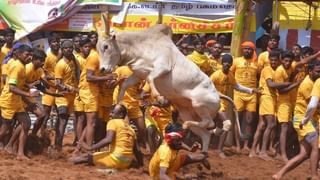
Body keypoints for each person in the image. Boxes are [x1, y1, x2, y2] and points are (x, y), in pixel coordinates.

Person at [272, 60, 320, 180]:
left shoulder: (314, 83)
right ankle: (314, 176)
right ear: (310, 71)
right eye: (317, 72)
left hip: (308, 119)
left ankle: (279, 174)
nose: (319, 74)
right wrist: (305, 121)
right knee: (316, 146)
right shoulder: (307, 84)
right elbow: (314, 105)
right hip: (303, 119)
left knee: (304, 154)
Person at [210, 54, 258, 158]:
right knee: (227, 124)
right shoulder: (216, 75)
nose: (226, 64)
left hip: (224, 103)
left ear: (231, 64)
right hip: (216, 103)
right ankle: (219, 150)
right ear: (222, 63)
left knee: (219, 127)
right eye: (225, 62)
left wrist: (251, 90)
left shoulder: (231, 75)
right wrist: (219, 95)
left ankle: (208, 137)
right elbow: (207, 87)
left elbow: (237, 86)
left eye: (229, 62)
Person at [70, 104, 143, 169]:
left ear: (120, 115)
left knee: (85, 157)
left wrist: (90, 147)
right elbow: (137, 150)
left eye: (112, 112)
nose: (110, 115)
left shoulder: (113, 122)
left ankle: (66, 163)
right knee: (97, 154)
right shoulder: (130, 128)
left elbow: (108, 140)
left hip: (115, 159)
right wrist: (141, 165)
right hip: (127, 162)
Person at [0, 45, 39, 160]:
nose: (29, 57)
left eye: (31, 55)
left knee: (26, 123)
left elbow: (20, 84)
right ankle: (11, 148)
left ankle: (20, 153)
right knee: (5, 130)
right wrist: (28, 95)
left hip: (16, 101)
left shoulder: (22, 66)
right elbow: (12, 87)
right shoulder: (17, 67)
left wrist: (27, 94)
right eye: (27, 55)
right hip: (9, 101)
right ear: (19, 54)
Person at [249, 50, 286, 160]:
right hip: (267, 98)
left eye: (275, 60)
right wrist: (287, 84)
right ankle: (263, 151)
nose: (273, 62)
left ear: (279, 60)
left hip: (271, 98)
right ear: (269, 60)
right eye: (272, 60)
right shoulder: (267, 69)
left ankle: (253, 151)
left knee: (262, 126)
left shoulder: (276, 70)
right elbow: (270, 84)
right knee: (271, 125)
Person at [230, 41, 259, 153]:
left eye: (249, 49)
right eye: (245, 49)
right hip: (238, 94)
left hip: (252, 94)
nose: (247, 50)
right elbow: (230, 74)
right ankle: (237, 145)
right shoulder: (237, 61)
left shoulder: (256, 63)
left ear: (253, 50)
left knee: (250, 120)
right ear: (242, 50)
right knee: (238, 119)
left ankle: (246, 145)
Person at [54, 40, 79, 151]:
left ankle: (58, 142)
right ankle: (58, 144)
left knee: (64, 120)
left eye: (70, 48)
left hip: (72, 97)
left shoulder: (73, 61)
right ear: (62, 50)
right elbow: (58, 84)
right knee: (62, 119)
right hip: (62, 96)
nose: (68, 50)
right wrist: (70, 88)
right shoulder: (60, 64)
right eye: (66, 48)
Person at [41, 34, 61, 132]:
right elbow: (42, 74)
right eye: (53, 42)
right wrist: (52, 78)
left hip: (60, 89)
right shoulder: (47, 57)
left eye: (57, 41)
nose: (56, 43)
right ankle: (42, 133)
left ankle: (56, 134)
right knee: (46, 113)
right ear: (49, 44)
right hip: (50, 89)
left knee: (61, 113)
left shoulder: (62, 56)